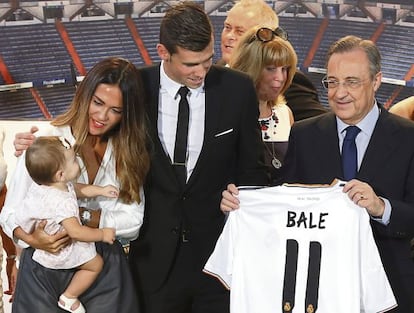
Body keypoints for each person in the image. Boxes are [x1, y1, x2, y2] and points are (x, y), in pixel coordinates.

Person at [221, 35, 414, 312]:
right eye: (332, 82)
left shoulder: (408, 138)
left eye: (351, 82)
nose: (339, 93)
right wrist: (240, 207)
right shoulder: (304, 134)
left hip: (391, 291)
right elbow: (280, 206)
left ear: (376, 81)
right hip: (318, 293)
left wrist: (380, 207)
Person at [127, 2, 268, 313]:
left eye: (207, 61)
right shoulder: (134, 86)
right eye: (191, 65)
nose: (201, 72)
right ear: (163, 51)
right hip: (152, 261)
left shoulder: (237, 89)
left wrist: (240, 196)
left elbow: (254, 170)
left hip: (218, 262)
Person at [1, 56, 150, 313]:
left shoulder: (128, 151)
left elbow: (133, 222)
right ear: (84, 94)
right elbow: (10, 213)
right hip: (43, 268)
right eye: (98, 102)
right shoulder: (46, 142)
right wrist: (32, 238)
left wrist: (78, 217)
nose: (102, 116)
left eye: (116, 110)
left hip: (102, 266)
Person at [16, 136, 117, 313]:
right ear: (61, 174)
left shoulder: (49, 185)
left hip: (34, 239)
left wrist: (101, 190)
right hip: (60, 249)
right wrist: (103, 234)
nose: (78, 161)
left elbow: (76, 189)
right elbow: (76, 232)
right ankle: (69, 297)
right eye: (73, 160)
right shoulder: (61, 204)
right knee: (96, 265)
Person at [219, 0, 328, 121]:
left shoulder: (285, 81)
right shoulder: (216, 70)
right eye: (227, 27)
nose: (229, 36)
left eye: (240, 31)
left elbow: (322, 125)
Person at [229, 26, 296, 183]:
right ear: (250, 67)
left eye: (285, 69)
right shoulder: (226, 114)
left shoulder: (285, 113)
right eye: (271, 69)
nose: (280, 77)